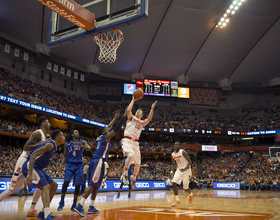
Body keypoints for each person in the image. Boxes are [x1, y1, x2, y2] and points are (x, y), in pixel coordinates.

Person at [74, 110, 125, 217]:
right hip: (98, 161)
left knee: (96, 185)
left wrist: (115, 118)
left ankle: (91, 206)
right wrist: (122, 118)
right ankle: (80, 205)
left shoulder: (100, 137)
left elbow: (108, 126)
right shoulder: (105, 137)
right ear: (104, 132)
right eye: (106, 130)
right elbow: (115, 129)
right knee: (93, 184)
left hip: (97, 161)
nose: (108, 129)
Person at [0, 117, 51, 218]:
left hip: (31, 163)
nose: (49, 123)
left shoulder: (45, 136)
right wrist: (42, 144)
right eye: (47, 122)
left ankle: (31, 210)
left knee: (42, 185)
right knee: (12, 188)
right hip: (23, 160)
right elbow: (26, 147)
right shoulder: (38, 133)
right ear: (42, 123)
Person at [23, 129, 65, 220]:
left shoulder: (55, 147)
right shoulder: (50, 145)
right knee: (46, 186)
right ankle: (47, 215)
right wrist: (29, 174)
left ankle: (42, 213)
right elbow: (33, 154)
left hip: (38, 168)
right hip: (31, 166)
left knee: (54, 185)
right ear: (57, 138)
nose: (64, 137)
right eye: (62, 135)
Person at [120, 97, 157, 189]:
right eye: (137, 111)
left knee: (138, 164)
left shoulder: (141, 122)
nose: (138, 112)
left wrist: (152, 108)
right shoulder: (131, 118)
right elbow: (128, 110)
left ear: (141, 114)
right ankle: (125, 174)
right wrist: (133, 100)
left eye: (140, 111)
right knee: (130, 155)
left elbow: (149, 119)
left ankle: (134, 178)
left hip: (135, 143)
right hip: (127, 140)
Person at [57, 130, 91, 211]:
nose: (77, 133)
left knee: (77, 186)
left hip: (79, 165)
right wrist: (62, 164)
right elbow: (65, 155)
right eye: (75, 132)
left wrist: (82, 146)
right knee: (66, 183)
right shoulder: (67, 144)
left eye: (77, 132)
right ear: (72, 134)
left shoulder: (82, 141)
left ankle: (74, 204)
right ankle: (61, 202)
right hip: (69, 164)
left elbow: (89, 149)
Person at [170, 141, 193, 207]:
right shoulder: (173, 155)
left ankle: (190, 194)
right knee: (173, 183)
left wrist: (185, 168)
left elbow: (189, 161)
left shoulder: (183, 152)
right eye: (175, 144)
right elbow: (173, 164)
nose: (176, 145)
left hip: (187, 170)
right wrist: (171, 172)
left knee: (185, 188)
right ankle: (177, 200)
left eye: (177, 144)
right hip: (179, 170)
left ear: (179, 146)